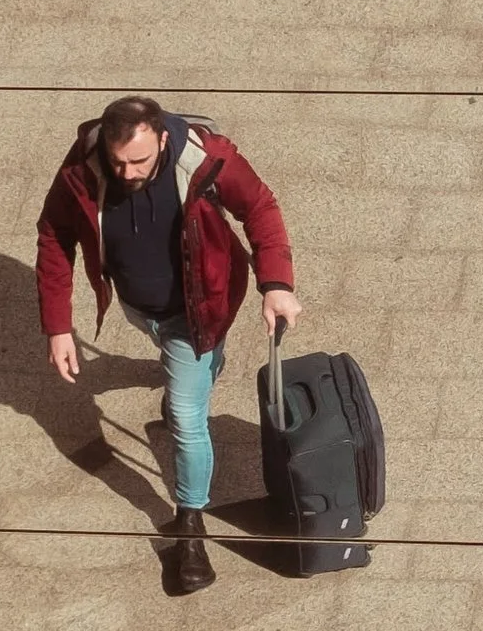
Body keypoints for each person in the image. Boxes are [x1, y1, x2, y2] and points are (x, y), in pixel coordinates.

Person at [37, 96, 299, 596]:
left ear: (161, 139)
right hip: (141, 308)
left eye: (139, 161)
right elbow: (54, 236)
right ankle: (200, 366)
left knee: (185, 416)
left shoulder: (206, 158)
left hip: (201, 308)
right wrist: (58, 326)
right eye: (118, 163)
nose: (128, 173)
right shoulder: (83, 167)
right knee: (182, 367)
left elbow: (261, 207)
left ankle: (189, 522)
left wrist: (276, 284)